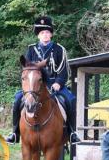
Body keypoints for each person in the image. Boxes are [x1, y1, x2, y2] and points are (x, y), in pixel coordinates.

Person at [5, 16, 81, 145]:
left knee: (70, 99)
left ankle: (72, 132)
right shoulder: (31, 49)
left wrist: (58, 83)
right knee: (18, 99)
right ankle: (15, 132)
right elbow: (27, 69)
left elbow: (63, 70)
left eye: (47, 32)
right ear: (38, 36)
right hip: (34, 85)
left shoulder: (59, 49)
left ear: (51, 34)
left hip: (54, 83)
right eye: (42, 33)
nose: (45, 35)